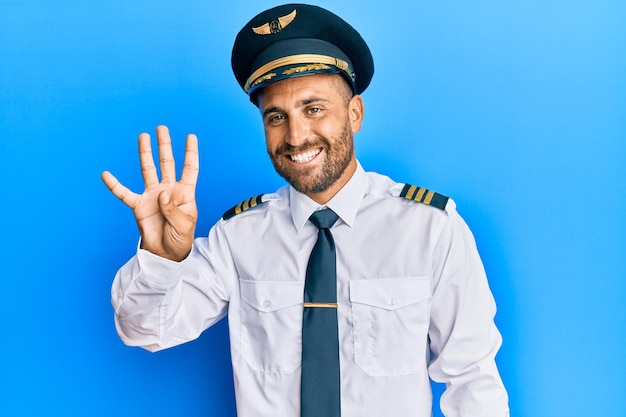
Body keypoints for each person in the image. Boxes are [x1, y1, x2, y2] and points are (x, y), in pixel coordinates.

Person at [102, 4, 509, 417]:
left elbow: (473, 381)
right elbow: (146, 331)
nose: (296, 136)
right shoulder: (237, 236)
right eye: (276, 117)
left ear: (354, 114)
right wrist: (162, 257)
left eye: (314, 109)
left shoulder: (431, 229)